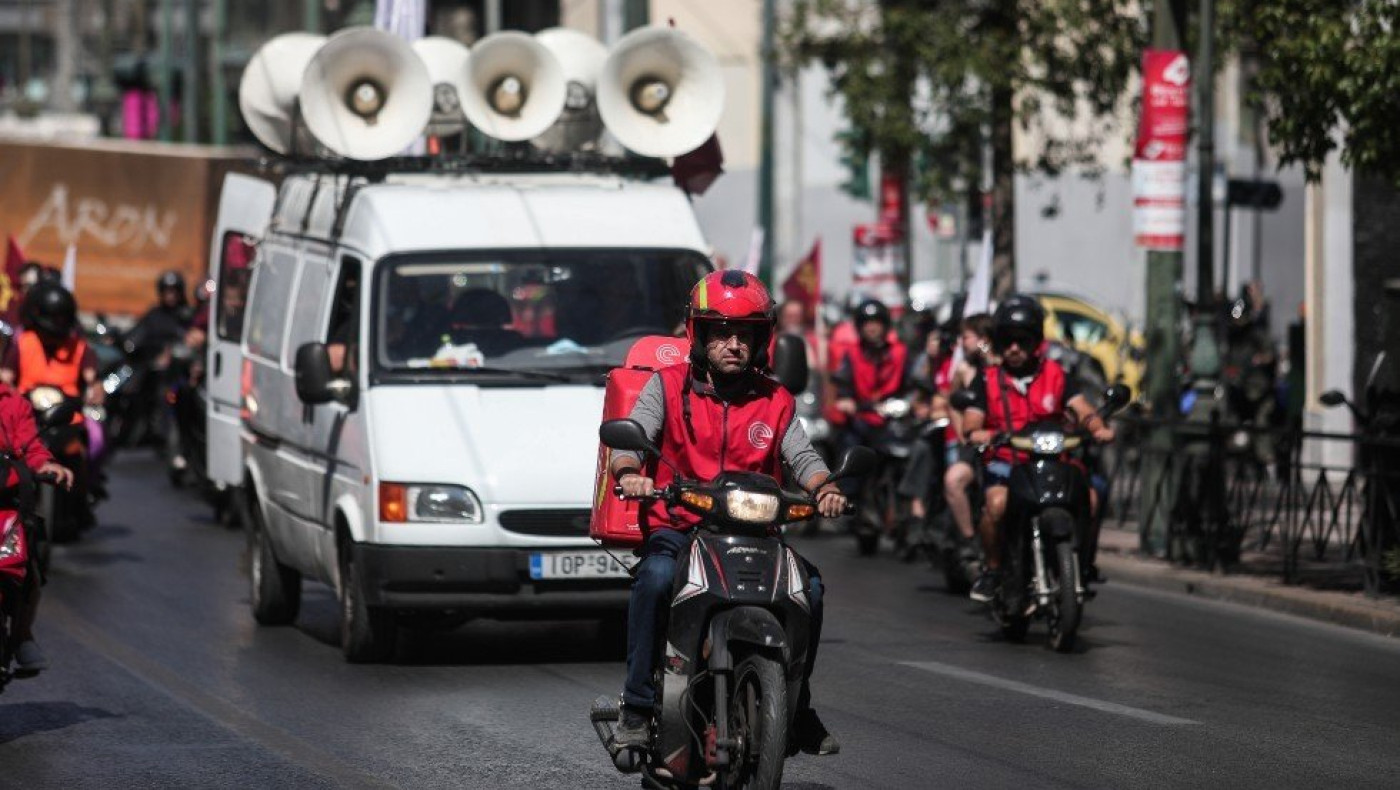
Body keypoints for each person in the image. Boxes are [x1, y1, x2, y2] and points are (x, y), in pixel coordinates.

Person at [608, 269, 848, 755]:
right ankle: (636, 707)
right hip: (681, 528)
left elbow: (802, 457)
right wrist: (630, 472)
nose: (734, 345)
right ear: (698, 335)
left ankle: (798, 708)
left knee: (812, 590)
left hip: (754, 534)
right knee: (655, 579)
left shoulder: (776, 399)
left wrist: (825, 487)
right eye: (721, 333)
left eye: (745, 334)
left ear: (761, 340)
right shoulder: (665, 386)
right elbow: (631, 438)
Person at [960, 296, 1115, 602]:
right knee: (996, 505)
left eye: (1023, 341)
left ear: (1036, 342)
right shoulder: (987, 380)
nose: (1014, 348)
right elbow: (971, 427)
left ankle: (1083, 566)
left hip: (1054, 462)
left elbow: (1082, 409)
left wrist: (1098, 428)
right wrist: (989, 435)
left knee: (1091, 498)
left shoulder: (1056, 375)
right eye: (1008, 341)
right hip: (1006, 462)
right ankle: (993, 570)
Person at [0, 380, 75, 676]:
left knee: (30, 568)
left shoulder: (14, 403)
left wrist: (46, 466)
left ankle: (22, 635)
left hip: (8, 506)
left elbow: (32, 447)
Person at [829, 299, 908, 493]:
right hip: (861, 419)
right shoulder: (852, 353)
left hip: (892, 421)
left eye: (876, 323)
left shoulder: (900, 352)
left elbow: (913, 383)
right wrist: (845, 399)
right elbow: (842, 382)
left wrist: (914, 402)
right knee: (849, 451)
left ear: (885, 325)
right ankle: (848, 498)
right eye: (867, 323)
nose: (872, 328)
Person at [941, 313, 994, 546]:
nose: (962, 343)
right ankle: (968, 538)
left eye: (966, 337)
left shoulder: (1001, 366)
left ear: (984, 338)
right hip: (976, 445)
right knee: (954, 480)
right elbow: (952, 402)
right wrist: (965, 434)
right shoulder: (965, 369)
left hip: (1004, 443)